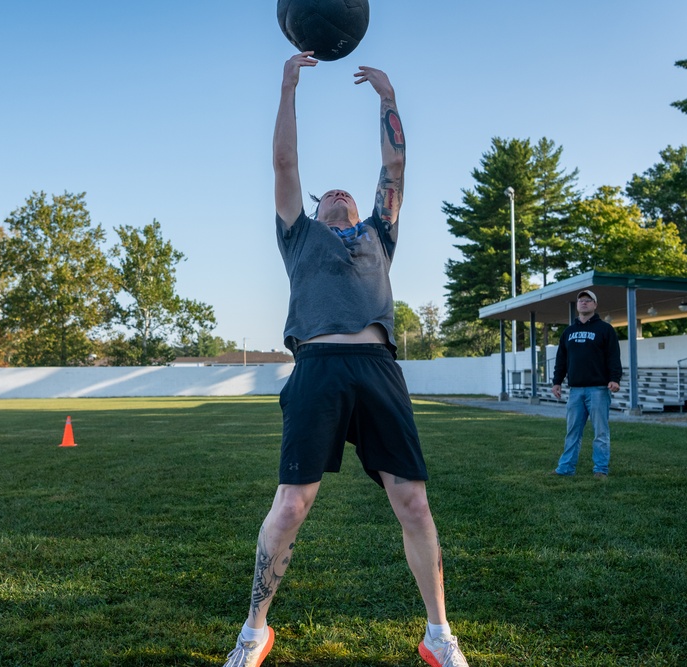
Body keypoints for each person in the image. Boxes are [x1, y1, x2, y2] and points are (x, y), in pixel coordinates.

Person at [221, 52, 469, 667]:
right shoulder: (298, 233)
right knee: (291, 502)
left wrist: (388, 100)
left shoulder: (378, 235)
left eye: (347, 194)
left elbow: (395, 164)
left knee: (412, 501)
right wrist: (286, 83)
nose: (337, 194)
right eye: (328, 193)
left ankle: (439, 635)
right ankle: (254, 631)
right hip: (319, 370)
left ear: (360, 212)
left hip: (379, 370)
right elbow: (284, 161)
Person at [550, 289, 623, 479]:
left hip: (598, 389)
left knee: (600, 432)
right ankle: (565, 469)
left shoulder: (605, 329)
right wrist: (557, 381)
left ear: (595, 305)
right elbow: (561, 359)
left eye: (588, 300)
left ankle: (600, 469)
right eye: (581, 300)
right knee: (572, 432)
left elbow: (613, 357)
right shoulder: (568, 332)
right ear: (577, 305)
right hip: (575, 391)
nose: (584, 303)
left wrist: (615, 379)